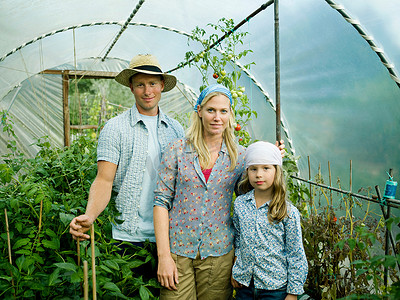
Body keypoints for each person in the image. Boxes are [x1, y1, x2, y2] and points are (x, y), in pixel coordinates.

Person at [153, 84, 285, 299]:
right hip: (177, 251)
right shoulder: (176, 150)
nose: (217, 117)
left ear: (230, 114)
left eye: (223, 111)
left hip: (219, 254)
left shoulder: (240, 156)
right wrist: (164, 256)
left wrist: (268, 157)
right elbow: (161, 202)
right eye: (211, 110)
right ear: (199, 111)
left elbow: (252, 199)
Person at [69, 54, 184, 251]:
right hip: (128, 236)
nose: (147, 91)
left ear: (162, 85)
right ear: (131, 87)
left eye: (153, 83)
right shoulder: (115, 128)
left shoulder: (176, 130)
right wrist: (90, 216)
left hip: (168, 235)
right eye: (140, 84)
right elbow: (104, 180)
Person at [231, 141, 308, 300]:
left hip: (274, 288)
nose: (259, 174)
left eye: (266, 168)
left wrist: (293, 293)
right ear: (247, 172)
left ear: (276, 171)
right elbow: (239, 240)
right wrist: (236, 271)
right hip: (245, 286)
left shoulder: (287, 211)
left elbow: (296, 254)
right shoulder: (240, 204)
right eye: (253, 169)